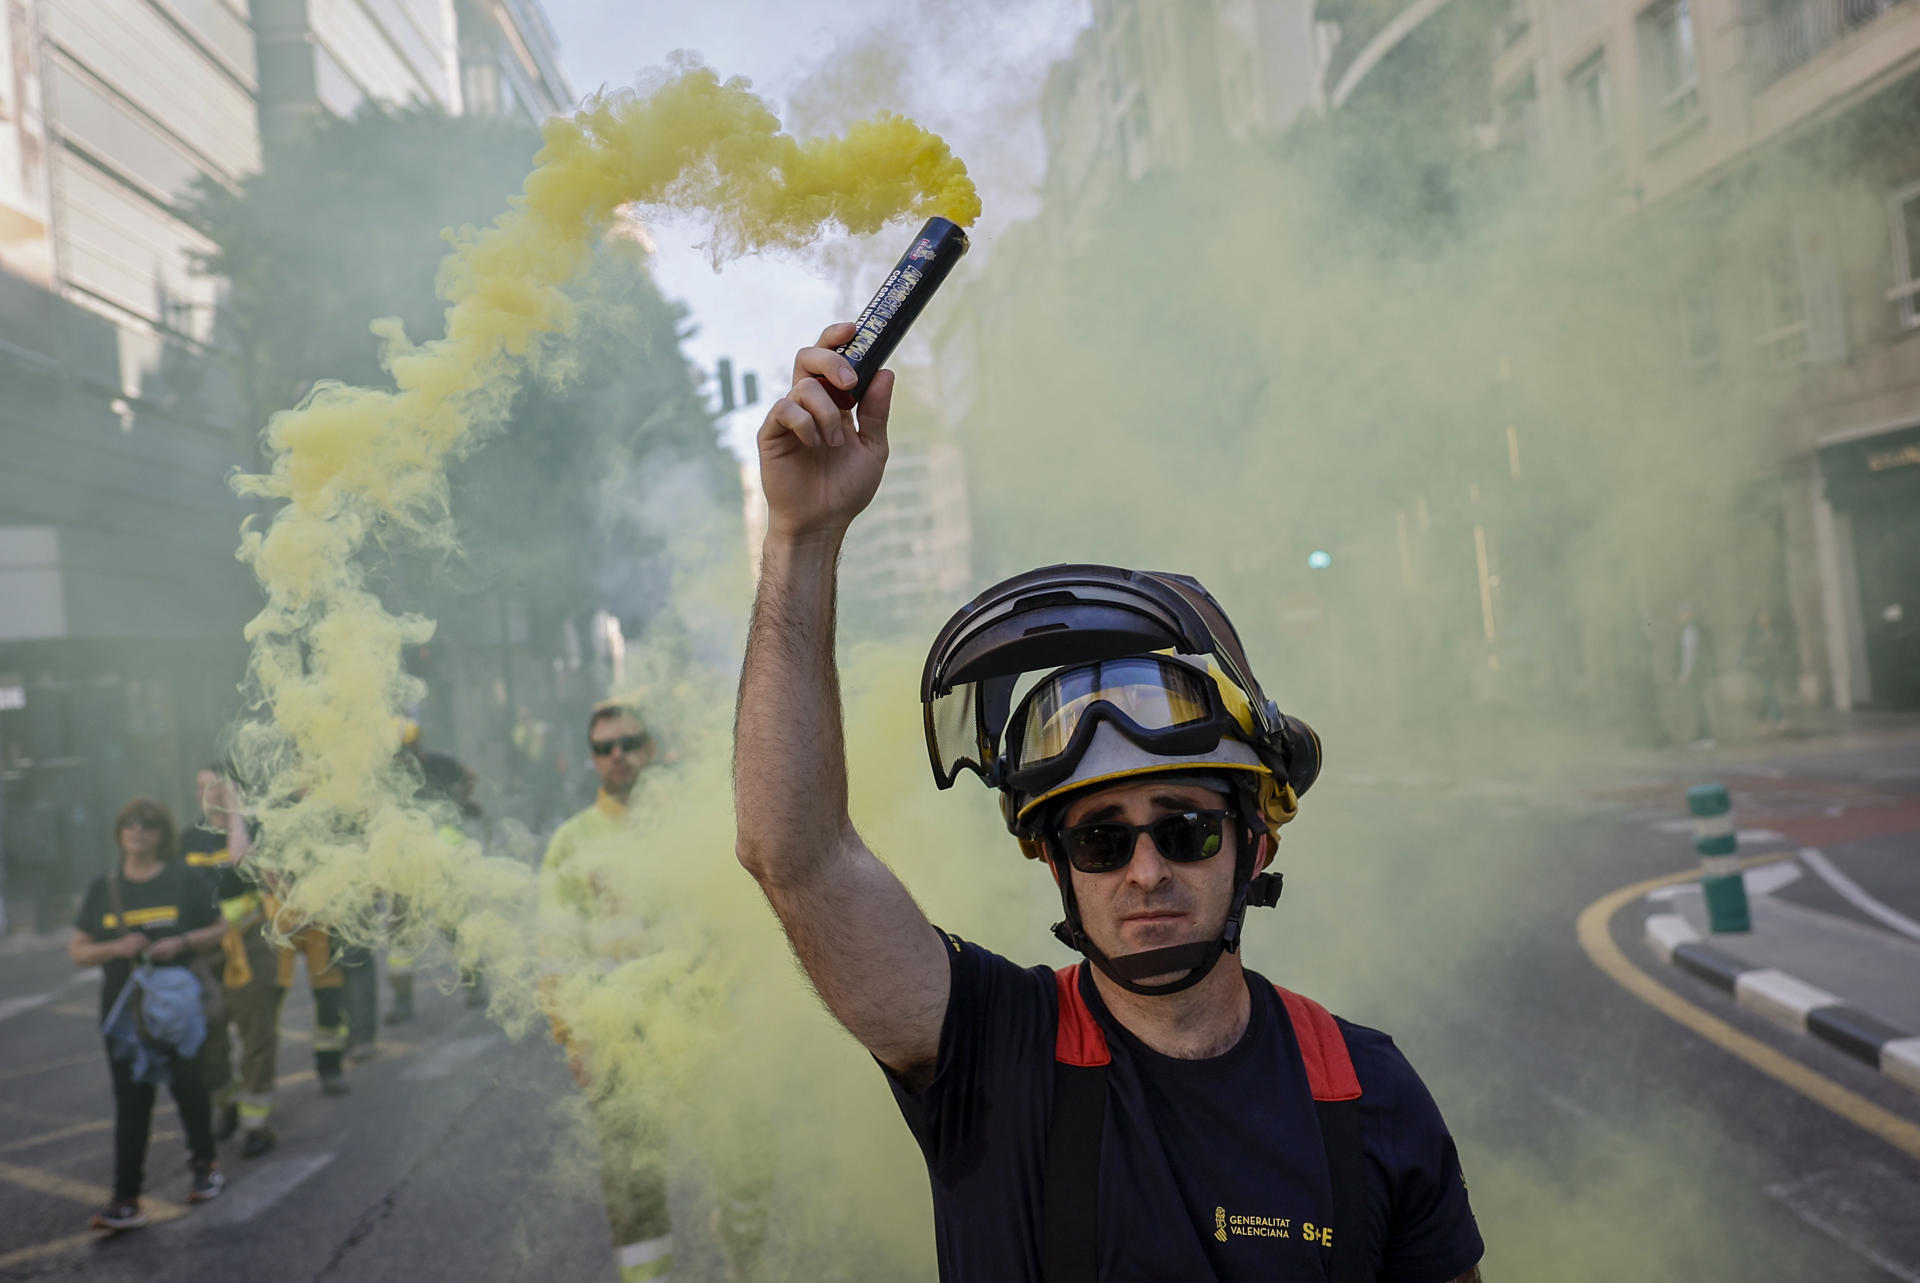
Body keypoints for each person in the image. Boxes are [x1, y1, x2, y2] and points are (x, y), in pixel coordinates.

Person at [731, 325, 1485, 1281]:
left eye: (1185, 827)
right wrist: (802, 536)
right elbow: (792, 852)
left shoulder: (1372, 1093)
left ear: (1253, 845)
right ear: (1054, 863)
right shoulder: (990, 1054)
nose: (1146, 869)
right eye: (1099, 840)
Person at [538, 702, 677, 1283]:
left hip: (699, 1023)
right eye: (603, 747)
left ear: (649, 748)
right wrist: (575, 1038)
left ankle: (745, 1258)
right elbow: (556, 951)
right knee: (631, 1180)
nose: (616, 755)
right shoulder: (571, 841)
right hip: (619, 1039)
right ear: (592, 760)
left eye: (628, 742)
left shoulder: (683, 825)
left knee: (743, 1156)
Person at [69, 799, 229, 1230]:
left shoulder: (184, 880)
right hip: (124, 1012)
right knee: (131, 1102)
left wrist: (183, 943)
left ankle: (205, 1166)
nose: (138, 832)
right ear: (119, 833)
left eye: (149, 825)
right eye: (130, 825)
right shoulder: (104, 887)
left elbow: (221, 928)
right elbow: (79, 950)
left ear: (162, 835)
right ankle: (126, 1198)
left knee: (188, 1088)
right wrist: (115, 949)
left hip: (175, 1007)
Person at [180, 765, 283, 1158]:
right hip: (204, 951)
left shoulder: (253, 830)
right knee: (209, 1036)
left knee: (257, 1033)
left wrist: (237, 816)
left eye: (217, 787)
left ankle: (256, 1123)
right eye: (201, 787)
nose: (208, 794)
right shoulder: (188, 838)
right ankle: (225, 1101)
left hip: (249, 945)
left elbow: (244, 862)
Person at [1739, 607, 1792, 733]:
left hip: (1771, 667)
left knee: (1766, 694)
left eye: (1767, 616)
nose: (1766, 618)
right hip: (1759, 668)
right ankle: (1779, 719)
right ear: (1758, 618)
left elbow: (1777, 647)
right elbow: (1748, 649)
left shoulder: (1772, 630)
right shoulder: (1753, 632)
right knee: (1770, 691)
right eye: (1763, 616)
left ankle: (1760, 719)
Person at [1676, 601, 1717, 749]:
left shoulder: (1689, 630)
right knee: (1700, 704)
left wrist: (1684, 675)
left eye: (1682, 613)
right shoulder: (1697, 628)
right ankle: (1704, 736)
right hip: (1702, 673)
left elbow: (1689, 655)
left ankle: (1705, 737)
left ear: (1687, 614)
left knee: (1698, 705)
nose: (1680, 616)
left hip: (1695, 674)